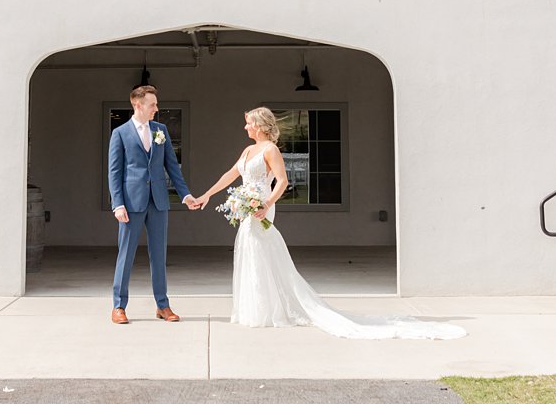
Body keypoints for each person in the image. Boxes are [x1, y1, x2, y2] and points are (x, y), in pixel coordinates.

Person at [192, 106, 465, 340]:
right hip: (248, 208)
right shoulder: (248, 149)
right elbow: (230, 175)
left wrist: (266, 204)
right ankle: (255, 308)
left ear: (260, 125)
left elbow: (283, 182)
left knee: (262, 251)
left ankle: (271, 310)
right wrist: (206, 195)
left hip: (262, 207)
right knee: (251, 252)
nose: (245, 126)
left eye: (249, 122)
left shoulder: (270, 149)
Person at [108, 84, 198, 325]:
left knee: (159, 255)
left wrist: (185, 195)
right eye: (152, 105)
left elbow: (172, 166)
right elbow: (114, 172)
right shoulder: (120, 133)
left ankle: (162, 305)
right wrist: (118, 204)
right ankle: (118, 306)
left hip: (158, 202)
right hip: (130, 203)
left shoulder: (161, 130)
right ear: (138, 105)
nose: (156, 109)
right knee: (125, 255)